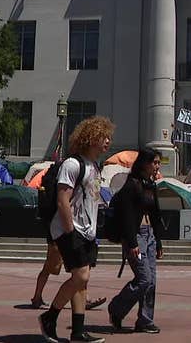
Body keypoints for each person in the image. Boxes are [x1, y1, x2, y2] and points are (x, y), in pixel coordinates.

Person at [38, 116, 113, 343]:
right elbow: (63, 200)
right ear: (91, 138)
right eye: (104, 137)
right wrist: (70, 231)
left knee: (81, 282)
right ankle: (50, 317)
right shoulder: (73, 165)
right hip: (71, 230)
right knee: (81, 276)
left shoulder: (95, 167)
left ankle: (78, 331)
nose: (108, 141)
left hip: (88, 232)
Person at [107, 148, 165, 334]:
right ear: (145, 163)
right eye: (155, 162)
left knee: (152, 281)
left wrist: (159, 242)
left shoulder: (150, 185)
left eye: (158, 162)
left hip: (150, 236)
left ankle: (145, 320)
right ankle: (116, 308)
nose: (157, 166)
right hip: (136, 236)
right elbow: (126, 216)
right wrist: (131, 242)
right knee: (144, 278)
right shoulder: (131, 185)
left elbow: (155, 215)